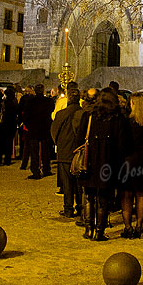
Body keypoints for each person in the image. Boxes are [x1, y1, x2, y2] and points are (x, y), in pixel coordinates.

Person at [76, 88, 129, 241]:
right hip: (108, 163)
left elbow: (79, 139)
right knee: (104, 197)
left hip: (89, 161)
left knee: (89, 196)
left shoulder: (89, 116)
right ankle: (99, 231)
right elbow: (122, 145)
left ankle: (88, 229)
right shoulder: (118, 118)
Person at [118, 92, 143, 238]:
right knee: (141, 194)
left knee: (126, 195)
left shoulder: (127, 122)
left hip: (128, 160)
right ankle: (139, 226)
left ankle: (127, 226)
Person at [50, 88, 84, 218]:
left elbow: (54, 131)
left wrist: (58, 143)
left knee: (67, 183)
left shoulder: (61, 114)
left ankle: (68, 209)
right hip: (79, 151)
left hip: (65, 151)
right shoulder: (83, 113)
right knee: (79, 183)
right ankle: (81, 208)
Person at [22, 83, 55, 179]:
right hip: (45, 128)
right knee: (46, 150)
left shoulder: (30, 101)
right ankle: (46, 169)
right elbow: (51, 114)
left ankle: (35, 171)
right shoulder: (48, 101)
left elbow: (26, 115)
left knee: (34, 151)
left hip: (34, 129)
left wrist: (28, 126)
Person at [0, 86, 19, 165]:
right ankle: (7, 160)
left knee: (0, 142)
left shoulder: (3, 102)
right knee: (9, 143)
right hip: (12, 124)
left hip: (3, 124)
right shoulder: (14, 103)